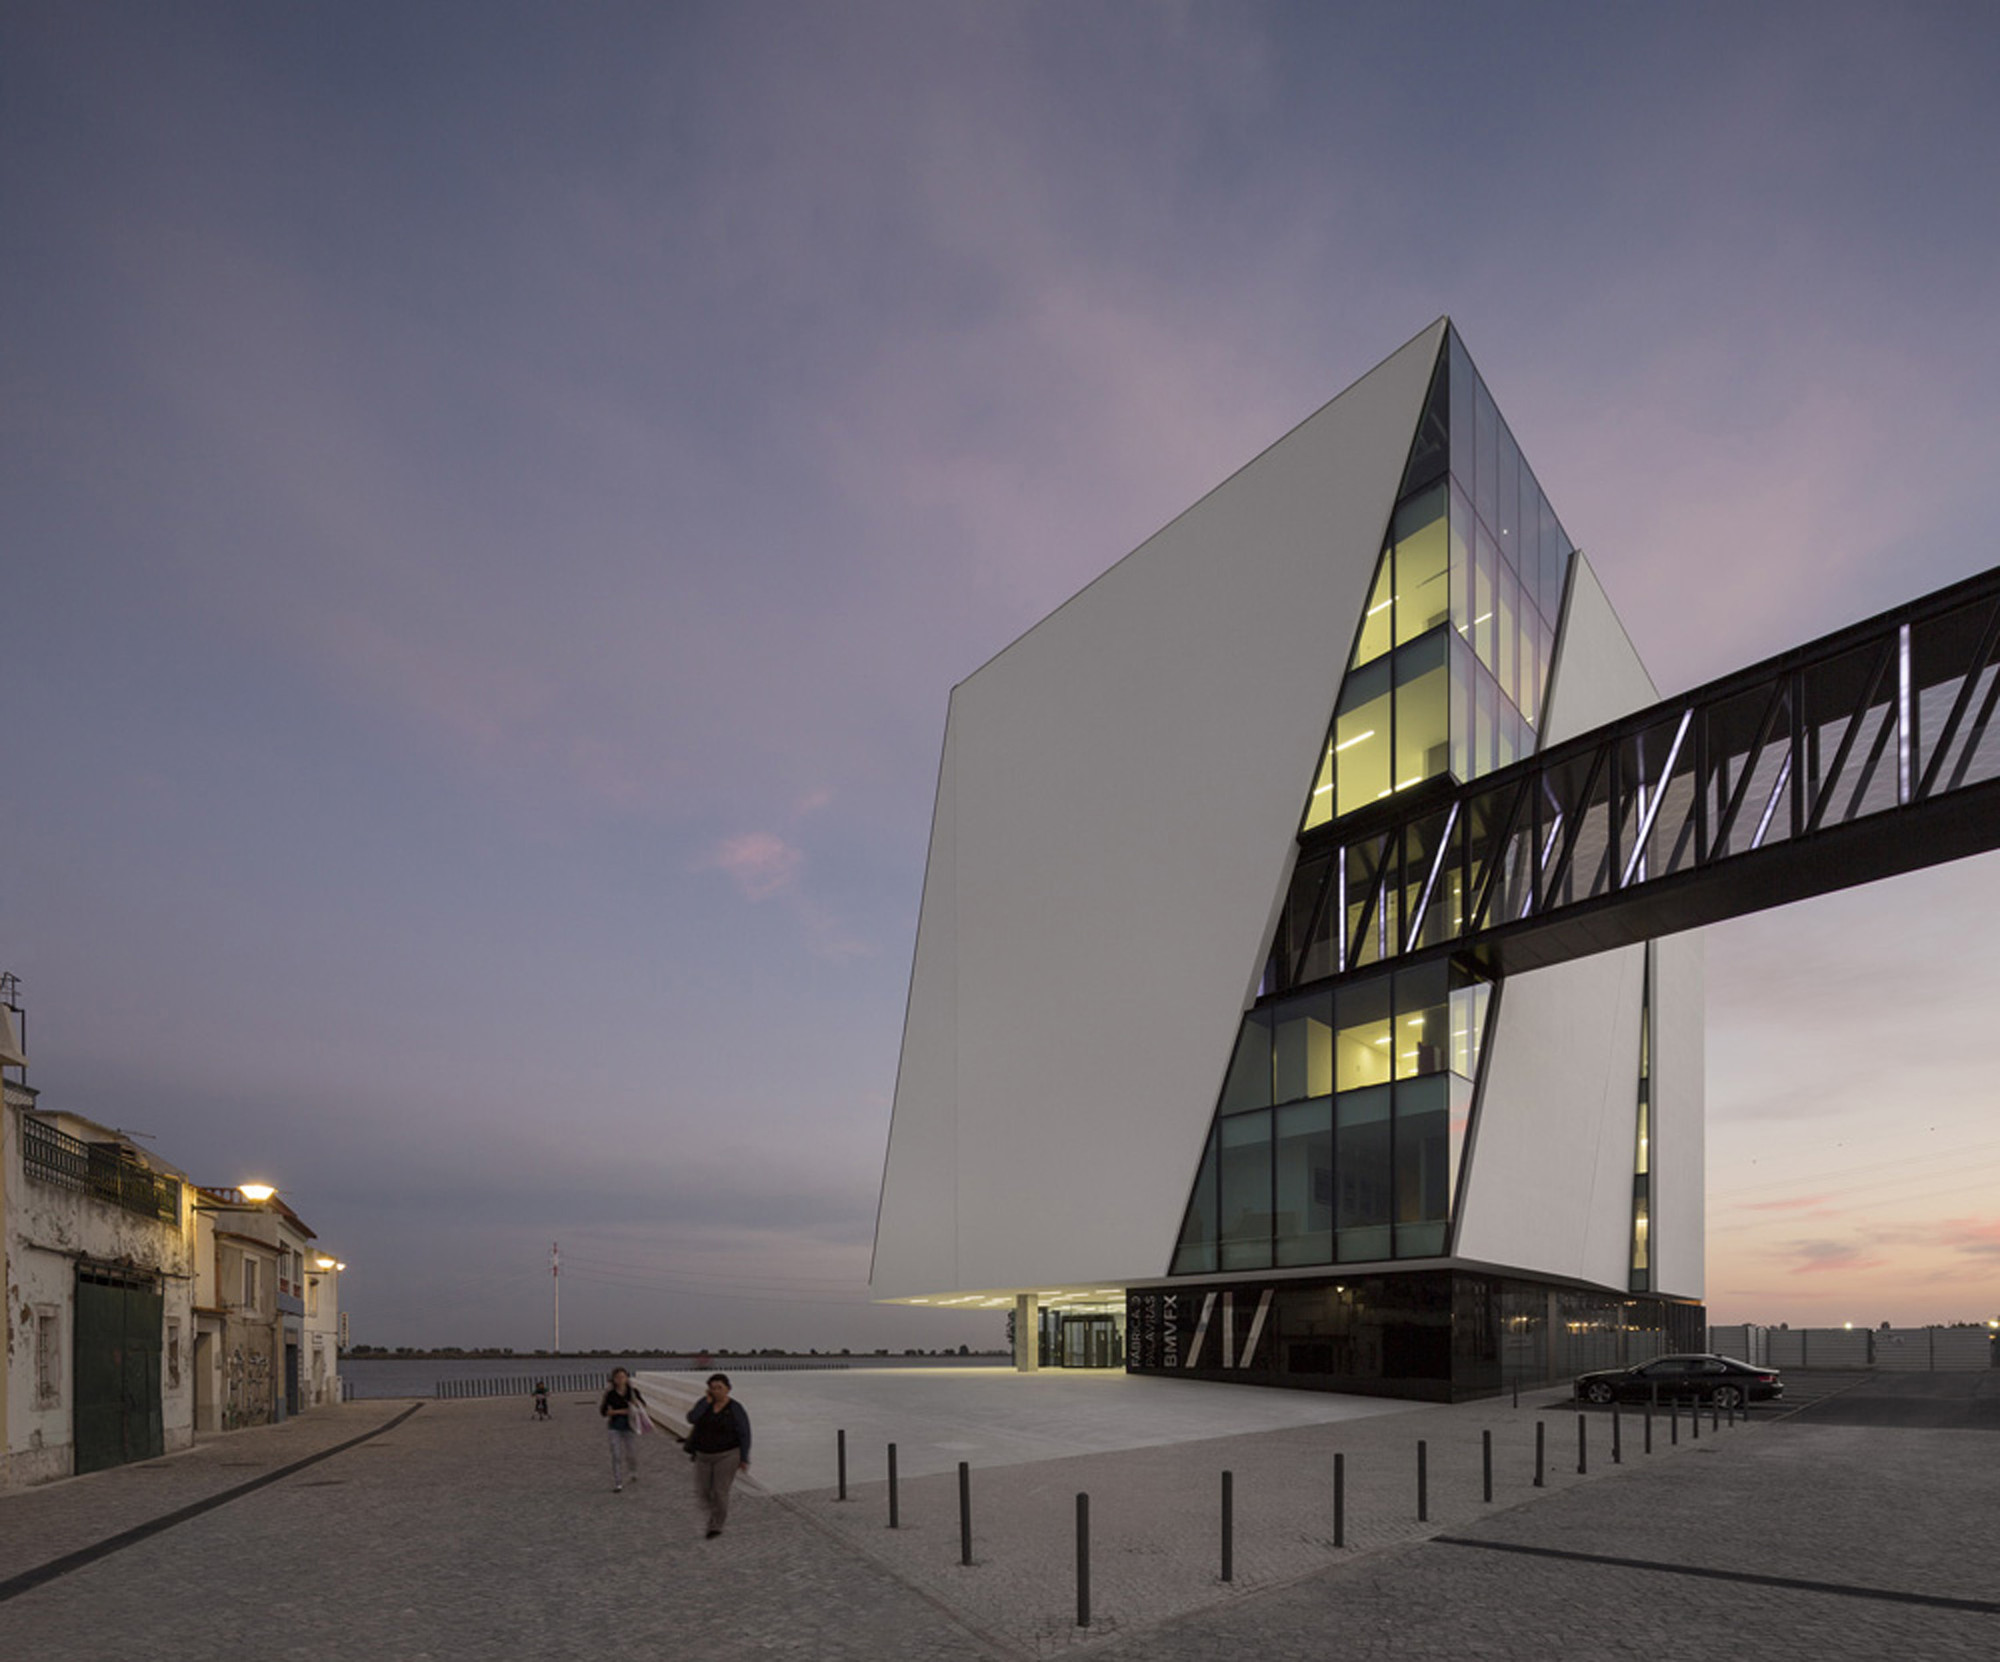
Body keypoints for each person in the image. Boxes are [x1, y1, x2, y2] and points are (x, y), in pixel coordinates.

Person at [682, 1372, 751, 1537]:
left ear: (728, 1389)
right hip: (703, 1455)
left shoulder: (735, 1408)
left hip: (727, 1455)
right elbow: (691, 1418)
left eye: (720, 1388)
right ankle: (715, 1512)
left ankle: (716, 1525)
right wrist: (705, 1403)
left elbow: (744, 1433)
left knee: (720, 1491)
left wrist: (744, 1457)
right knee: (703, 1491)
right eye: (712, 1388)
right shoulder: (704, 1404)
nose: (716, 1391)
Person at [599, 1367, 648, 1492]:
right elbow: (603, 1411)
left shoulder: (633, 1392)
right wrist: (619, 1411)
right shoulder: (610, 1394)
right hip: (614, 1427)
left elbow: (643, 1405)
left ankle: (633, 1470)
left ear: (627, 1378)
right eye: (617, 1377)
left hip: (630, 1426)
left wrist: (635, 1404)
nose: (620, 1380)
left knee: (631, 1453)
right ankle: (618, 1482)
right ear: (614, 1380)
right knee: (616, 1454)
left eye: (623, 1377)